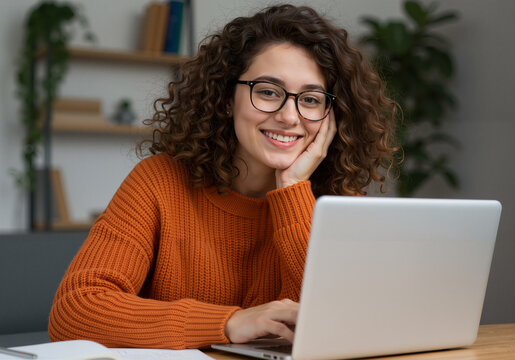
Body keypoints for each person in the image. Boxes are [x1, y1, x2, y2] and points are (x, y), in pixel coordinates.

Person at [48, 4, 397, 350]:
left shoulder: (337, 204)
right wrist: (227, 322)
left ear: (330, 114)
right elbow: (74, 312)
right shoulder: (159, 182)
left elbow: (353, 323)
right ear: (227, 98)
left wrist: (292, 189)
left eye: (309, 99)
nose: (290, 116)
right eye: (268, 92)